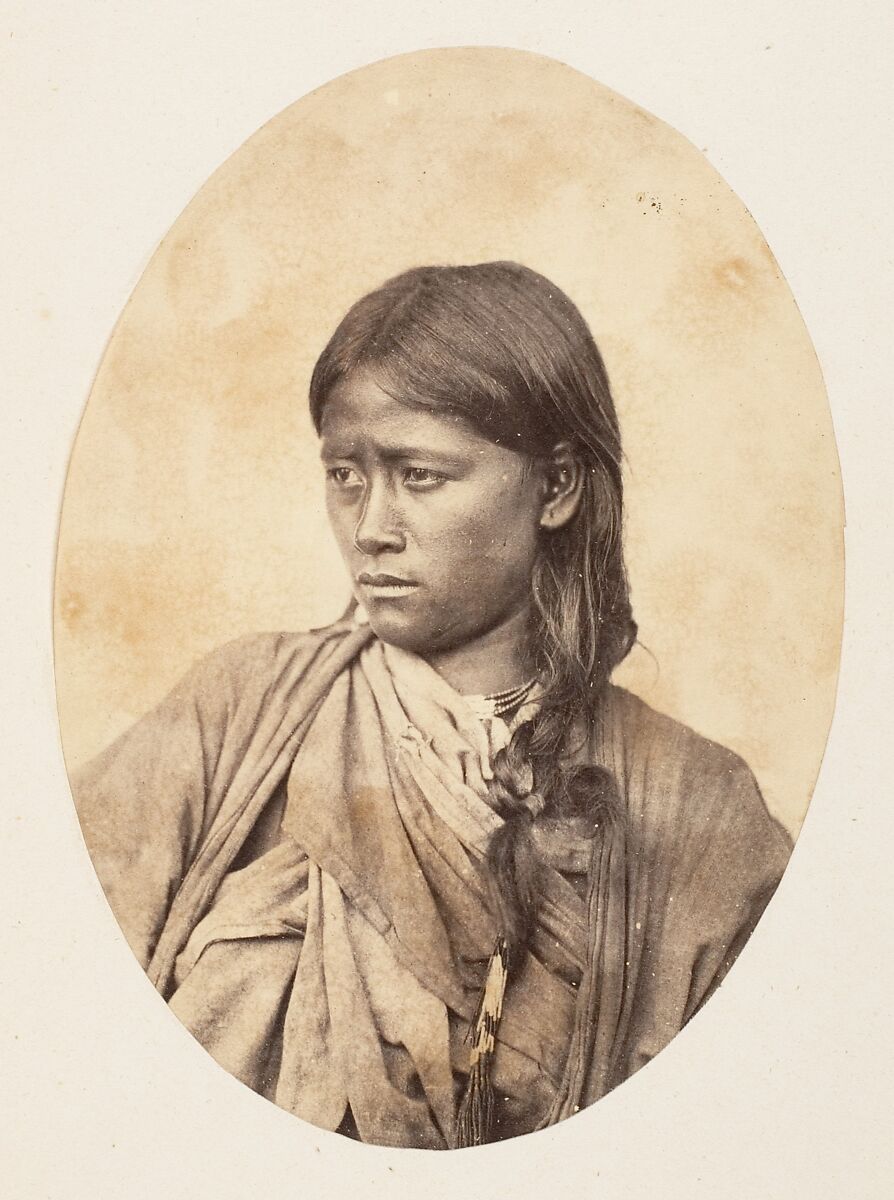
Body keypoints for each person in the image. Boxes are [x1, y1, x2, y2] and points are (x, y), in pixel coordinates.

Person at [73, 261, 792, 1149]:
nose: (371, 525)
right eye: (345, 476)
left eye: (419, 475)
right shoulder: (235, 714)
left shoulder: (702, 809)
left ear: (556, 487)